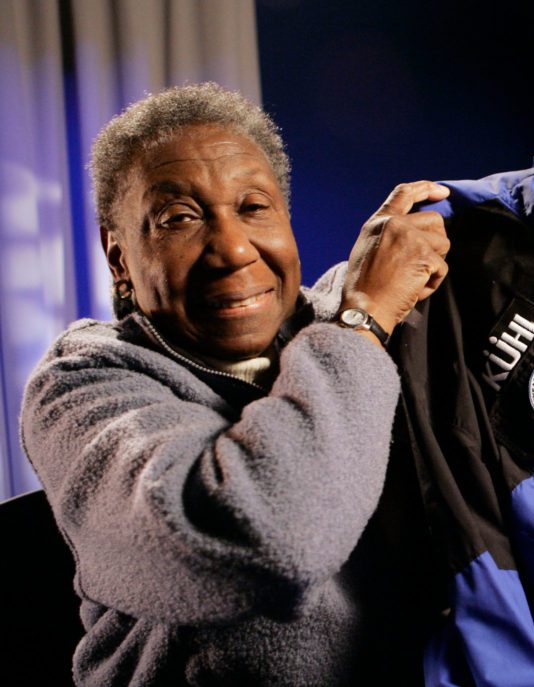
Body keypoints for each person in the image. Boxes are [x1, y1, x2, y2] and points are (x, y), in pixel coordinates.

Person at [20, 83, 449, 685]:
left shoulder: (351, 316)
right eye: (179, 218)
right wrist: (363, 321)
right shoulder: (82, 385)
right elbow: (274, 541)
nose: (231, 249)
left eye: (253, 208)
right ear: (119, 259)